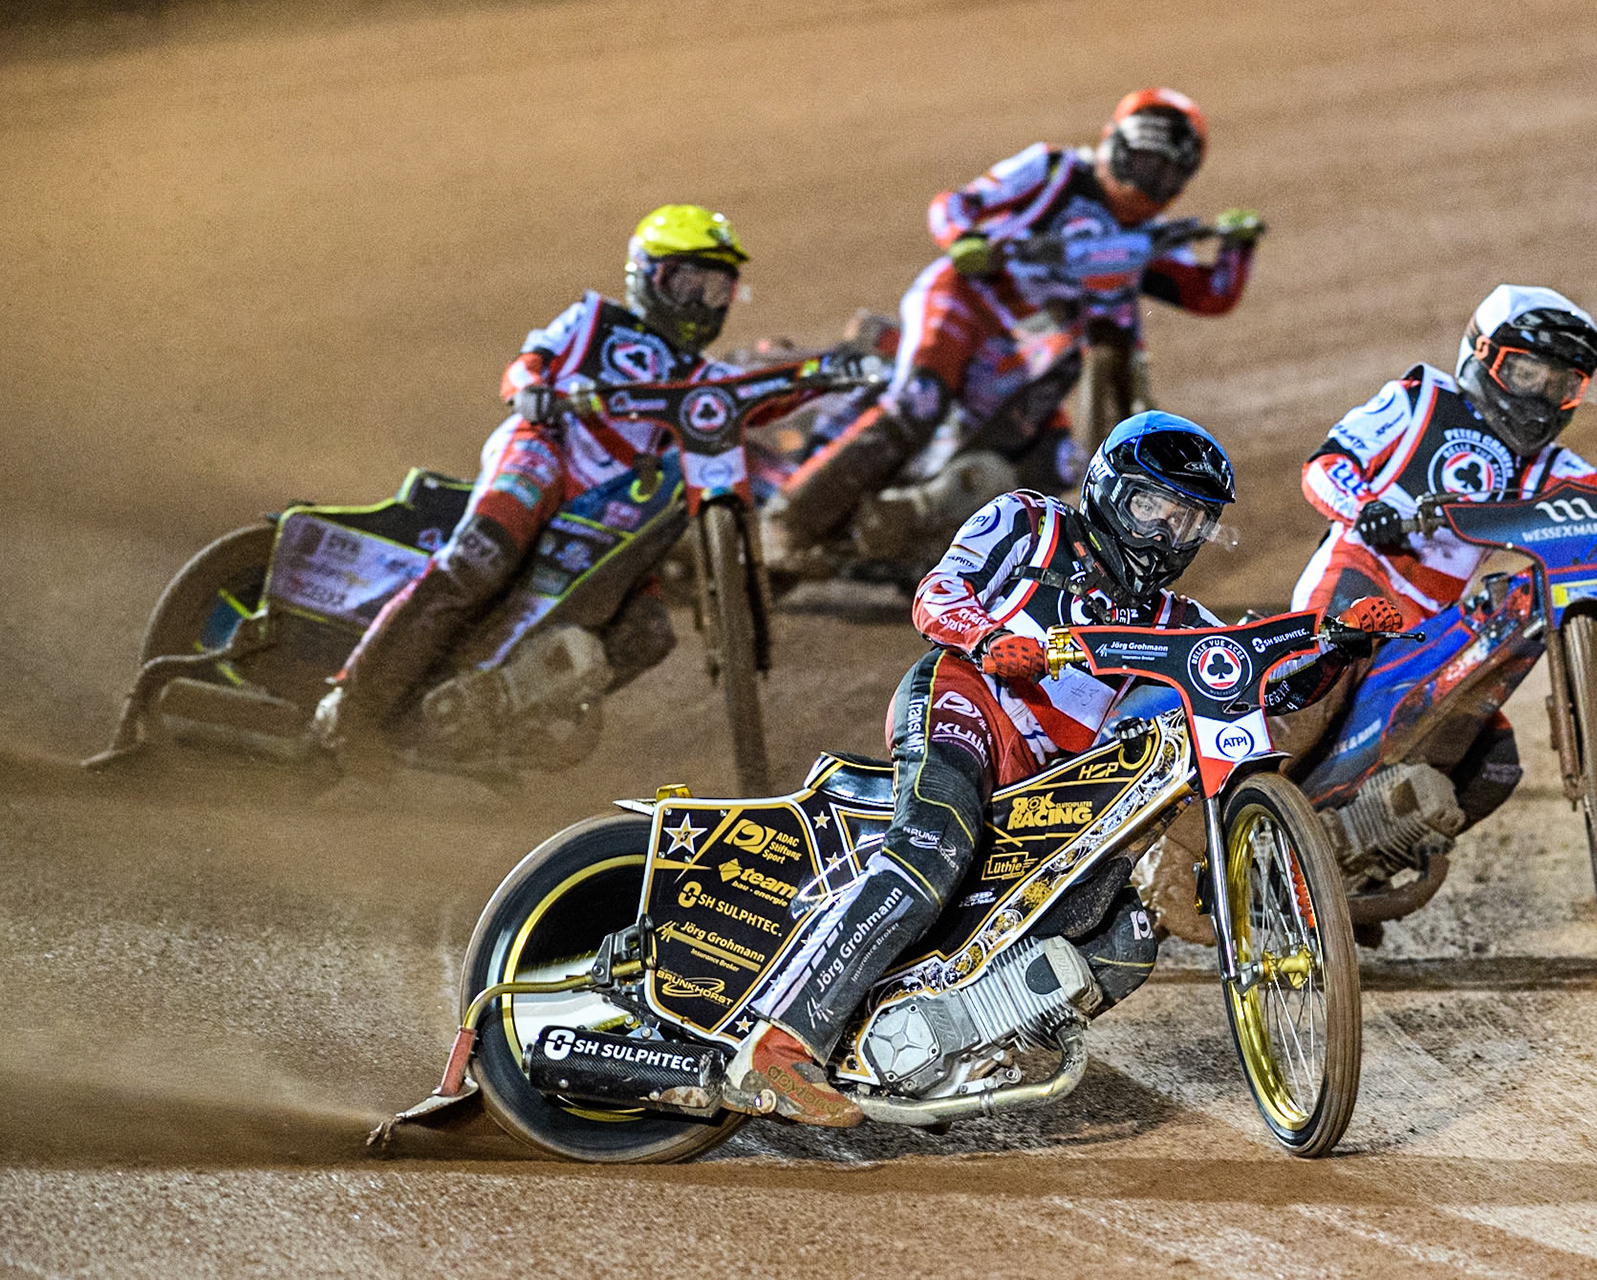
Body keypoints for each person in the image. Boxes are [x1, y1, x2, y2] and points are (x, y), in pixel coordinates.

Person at [726, 411, 1253, 1126]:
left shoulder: (1173, 619)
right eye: (1152, 509)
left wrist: (1336, 642)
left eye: (1189, 522)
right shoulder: (1030, 522)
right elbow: (938, 593)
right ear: (1107, 488)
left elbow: (1249, 671)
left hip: (1041, 783)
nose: (1166, 536)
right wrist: (989, 637)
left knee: (1127, 938)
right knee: (934, 846)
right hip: (962, 700)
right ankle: (779, 1048)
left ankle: (963, 1039)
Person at [1275, 283, 1597, 853]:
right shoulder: (1418, 398)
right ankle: (1241, 806)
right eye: (1530, 373)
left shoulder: (1546, 464)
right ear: (1482, 355)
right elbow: (1326, 464)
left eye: (1564, 384)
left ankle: (1363, 864)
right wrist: (1368, 509)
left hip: (1440, 624)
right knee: (1317, 684)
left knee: (1494, 765)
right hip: (1363, 571)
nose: (1543, 398)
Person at [316, 205, 755, 759]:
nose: (699, 301)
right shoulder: (593, 319)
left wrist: (839, 372)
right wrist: (531, 389)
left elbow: (767, 400)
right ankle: (348, 702)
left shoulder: (711, 381)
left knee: (648, 632)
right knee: (479, 558)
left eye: (715, 288)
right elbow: (527, 363)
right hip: (549, 450)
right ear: (647, 275)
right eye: (687, 282)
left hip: (617, 514)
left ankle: (499, 718)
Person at [760, 88, 1265, 563]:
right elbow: (955, 205)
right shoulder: (1052, 170)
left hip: (1037, 354)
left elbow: (1211, 295)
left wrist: (1239, 246)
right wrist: (964, 238)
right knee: (921, 400)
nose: (1145, 182)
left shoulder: (1147, 236)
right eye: (1142, 162)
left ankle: (917, 525)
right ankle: (789, 519)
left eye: (1165, 174)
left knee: (1051, 462)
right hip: (968, 303)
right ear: (1113, 144)